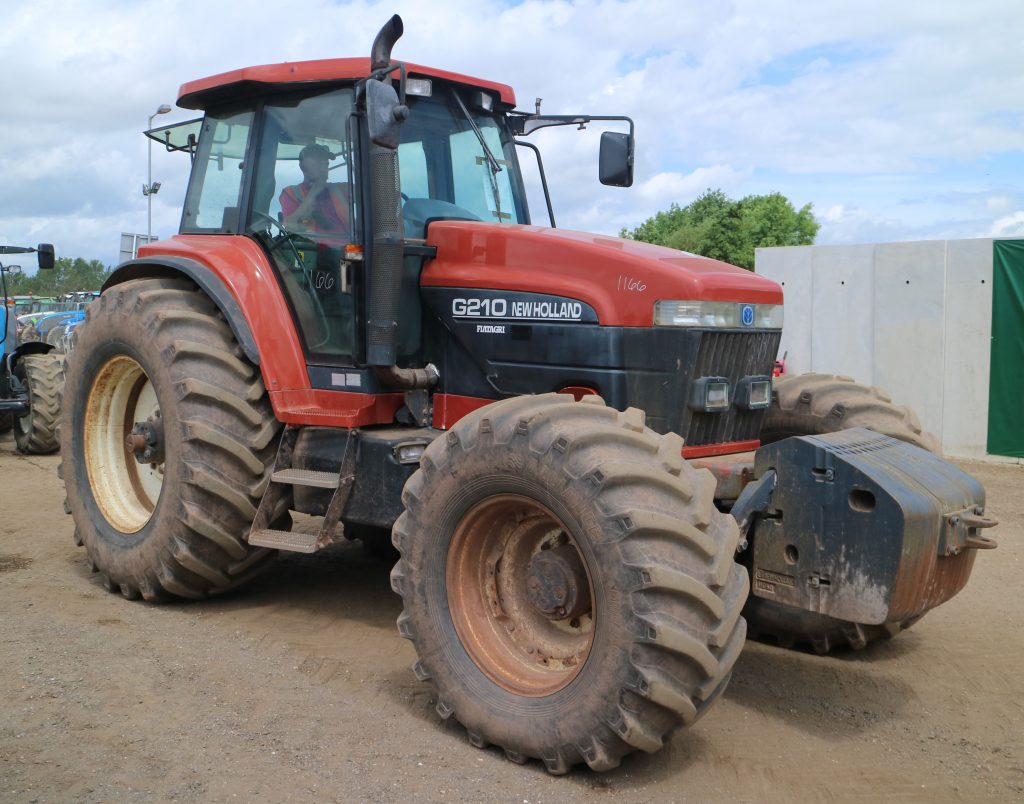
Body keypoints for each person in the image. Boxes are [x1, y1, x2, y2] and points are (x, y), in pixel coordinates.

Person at [279, 143, 351, 237]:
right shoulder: (291, 193)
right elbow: (289, 225)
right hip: (310, 249)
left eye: (325, 163)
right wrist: (313, 193)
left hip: (350, 248)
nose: (323, 168)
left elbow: (369, 191)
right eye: (316, 163)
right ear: (303, 167)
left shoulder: (342, 189)